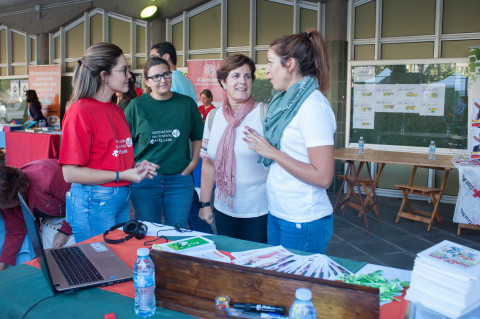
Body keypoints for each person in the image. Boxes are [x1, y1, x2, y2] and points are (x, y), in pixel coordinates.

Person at [243, 30, 336, 254]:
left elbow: (323, 177)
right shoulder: (285, 102)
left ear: (290, 64)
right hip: (279, 211)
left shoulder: (313, 106)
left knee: (296, 288)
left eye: (270, 63)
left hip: (303, 218)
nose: (266, 71)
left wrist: (272, 152)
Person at [59, 42, 158, 243]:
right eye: (123, 70)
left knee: (113, 263)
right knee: (98, 267)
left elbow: (109, 158)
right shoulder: (80, 111)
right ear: (104, 76)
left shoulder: (116, 110)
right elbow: (70, 173)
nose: (130, 76)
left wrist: (136, 167)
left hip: (119, 197)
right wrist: (122, 174)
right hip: (94, 200)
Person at [125, 57, 204, 228]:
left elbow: (197, 136)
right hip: (146, 180)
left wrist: (194, 162)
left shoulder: (186, 104)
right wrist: (133, 166)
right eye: (156, 76)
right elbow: (125, 143)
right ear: (146, 81)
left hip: (179, 180)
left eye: (166, 74)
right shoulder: (136, 106)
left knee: (179, 229)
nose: (163, 80)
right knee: (149, 230)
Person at [199, 55, 268, 243]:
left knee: (256, 266)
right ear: (223, 81)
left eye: (247, 76)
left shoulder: (264, 114)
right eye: (236, 76)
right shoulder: (214, 117)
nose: (242, 82)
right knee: (229, 261)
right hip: (224, 209)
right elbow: (208, 163)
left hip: (260, 211)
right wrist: (205, 204)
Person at [150, 41, 212, 233]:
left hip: (175, 159)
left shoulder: (172, 83)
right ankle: (206, 239)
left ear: (166, 58)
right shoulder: (183, 80)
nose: (161, 81)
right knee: (190, 210)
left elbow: (171, 122)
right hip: (184, 155)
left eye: (155, 57)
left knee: (177, 221)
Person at [0, 159, 74, 271]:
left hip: (79, 208)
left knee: (72, 259)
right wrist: (4, 261)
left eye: (3, 205)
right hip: (51, 218)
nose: (3, 208)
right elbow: (15, 231)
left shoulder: (48, 177)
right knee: (53, 263)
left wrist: (65, 231)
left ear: (14, 196)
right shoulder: (7, 200)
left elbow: (77, 202)